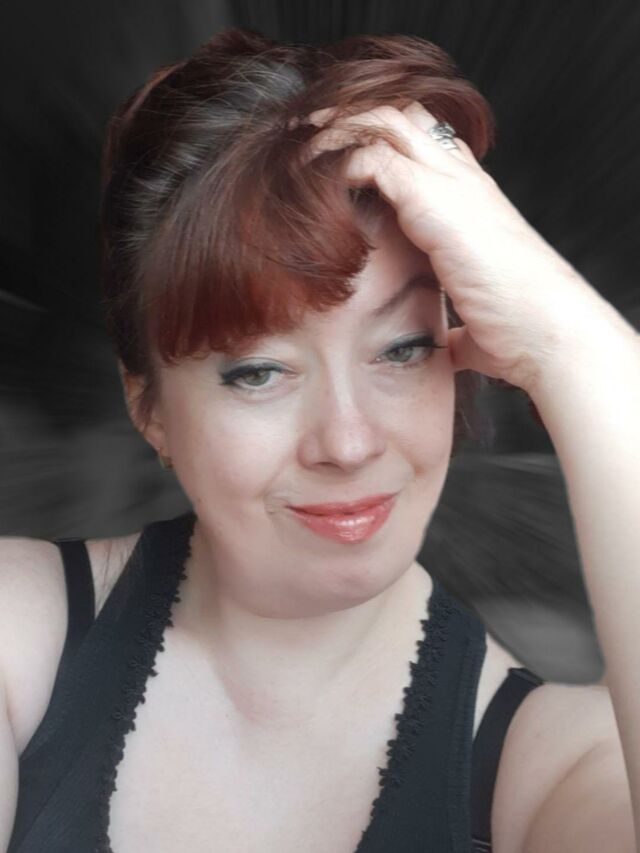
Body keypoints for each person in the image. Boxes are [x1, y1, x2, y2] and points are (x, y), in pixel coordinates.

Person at [2, 26, 638, 853]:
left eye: (401, 349)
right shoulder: (19, 633)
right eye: (260, 371)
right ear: (149, 405)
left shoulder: (556, 768)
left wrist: (578, 349)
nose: (347, 441)